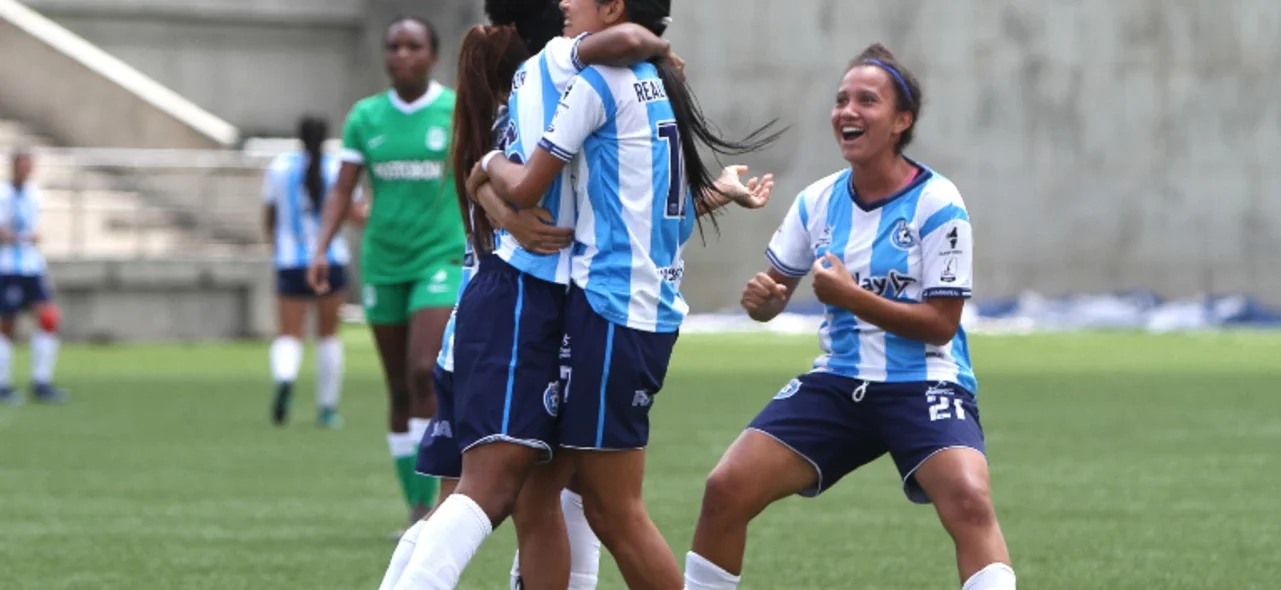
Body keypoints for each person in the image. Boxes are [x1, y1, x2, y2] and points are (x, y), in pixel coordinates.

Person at [393, 1, 781, 588]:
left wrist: (489, 177)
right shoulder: (634, 79)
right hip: (551, 300)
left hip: (575, 304)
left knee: (560, 497)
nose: (568, 3)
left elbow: (537, 188)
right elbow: (603, 201)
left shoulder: (584, 77)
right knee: (542, 493)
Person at [681, 44, 1017, 590]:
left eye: (867, 100)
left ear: (901, 121)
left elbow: (941, 324)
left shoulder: (938, 204)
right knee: (726, 488)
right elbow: (774, 295)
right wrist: (764, 302)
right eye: (841, 100)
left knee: (970, 501)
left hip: (923, 382)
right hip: (840, 383)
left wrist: (853, 296)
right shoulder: (816, 201)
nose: (847, 112)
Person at [309, 15, 461, 535]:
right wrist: (320, 246)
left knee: (426, 370)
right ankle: (416, 507)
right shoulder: (366, 116)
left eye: (413, 46)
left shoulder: (456, 110)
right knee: (398, 388)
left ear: (432, 55)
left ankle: (439, 505)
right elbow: (340, 189)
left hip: (441, 258)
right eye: (393, 46)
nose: (401, 54)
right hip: (383, 261)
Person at [263, 115, 354, 429]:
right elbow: (353, 211)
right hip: (331, 259)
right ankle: (327, 408)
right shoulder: (337, 167)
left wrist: (275, 248)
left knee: (289, 334)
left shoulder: (279, 167)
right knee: (328, 336)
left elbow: (270, 215)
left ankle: (285, 379)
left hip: (290, 261)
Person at [0, 149, 65, 406]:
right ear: (14, 166)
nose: (26, 169)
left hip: (31, 267)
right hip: (7, 268)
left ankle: (41, 382)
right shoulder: (3, 194)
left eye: (29, 165)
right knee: (7, 326)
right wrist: (22, 238)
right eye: (22, 165)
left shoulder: (34, 195)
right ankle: (3, 384)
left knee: (48, 318)